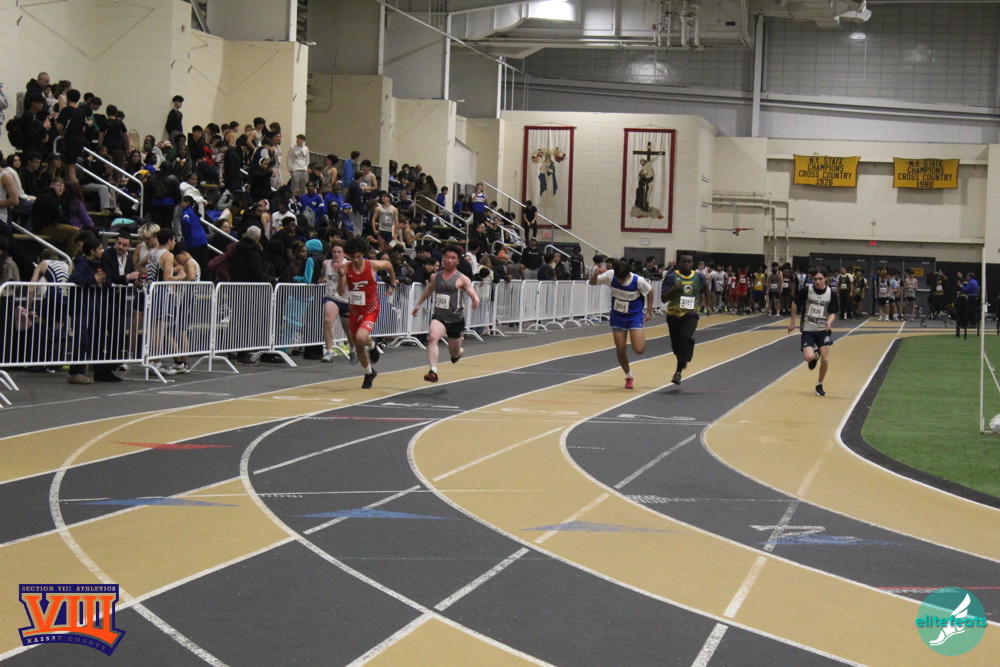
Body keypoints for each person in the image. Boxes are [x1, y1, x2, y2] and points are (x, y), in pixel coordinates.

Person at [410, 245, 480, 383]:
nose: (449, 260)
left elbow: (472, 293)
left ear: (458, 261)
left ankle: (459, 352)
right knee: (432, 337)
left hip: (456, 320)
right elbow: (429, 289)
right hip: (439, 317)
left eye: (453, 258)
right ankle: (433, 371)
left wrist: (475, 300)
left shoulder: (462, 279)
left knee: (454, 353)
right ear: (442, 259)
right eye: (447, 257)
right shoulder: (435, 276)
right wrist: (419, 304)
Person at [338, 237, 397, 389]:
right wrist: (341, 276)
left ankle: (371, 344)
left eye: (359, 256)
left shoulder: (372, 265)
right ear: (348, 256)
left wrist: (392, 284)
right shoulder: (346, 268)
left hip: (371, 309)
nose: (356, 260)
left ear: (363, 254)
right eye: (353, 257)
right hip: (354, 309)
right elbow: (341, 292)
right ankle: (368, 372)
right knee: (358, 344)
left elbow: (389, 265)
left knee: (360, 337)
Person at [589, 259, 653, 389]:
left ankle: (637, 335)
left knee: (639, 350)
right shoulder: (611, 275)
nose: (620, 281)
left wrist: (649, 311)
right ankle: (629, 376)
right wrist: (596, 274)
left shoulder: (638, 281)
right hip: (618, 317)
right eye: (618, 279)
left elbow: (650, 291)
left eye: (622, 280)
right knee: (621, 349)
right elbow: (592, 283)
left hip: (634, 316)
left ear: (628, 275)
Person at [787, 268, 839, 397]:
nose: (817, 281)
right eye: (815, 279)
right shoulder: (806, 290)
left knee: (825, 359)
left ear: (826, 279)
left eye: (820, 279)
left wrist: (829, 322)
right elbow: (795, 303)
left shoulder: (831, 293)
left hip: (823, 330)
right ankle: (816, 355)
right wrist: (792, 321)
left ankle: (819, 384)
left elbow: (833, 312)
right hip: (808, 329)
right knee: (808, 358)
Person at [661, 254, 705, 385]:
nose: (686, 264)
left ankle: (678, 372)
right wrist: (674, 288)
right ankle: (683, 357)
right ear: (679, 263)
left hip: (691, 313)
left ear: (693, 264)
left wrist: (708, 305)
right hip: (673, 315)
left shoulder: (699, 276)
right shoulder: (671, 277)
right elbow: (663, 298)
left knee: (685, 337)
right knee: (676, 345)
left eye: (689, 262)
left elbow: (706, 287)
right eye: (684, 261)